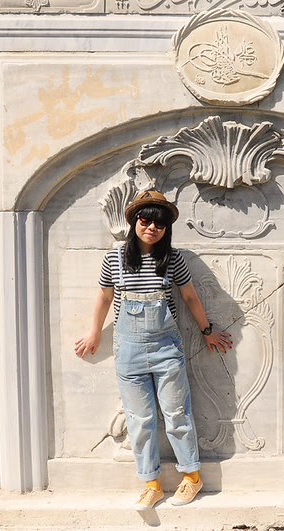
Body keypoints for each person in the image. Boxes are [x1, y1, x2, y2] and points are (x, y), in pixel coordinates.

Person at [74, 190, 233, 511]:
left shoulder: (172, 259)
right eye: (145, 220)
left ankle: (192, 477)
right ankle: (152, 485)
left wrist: (207, 331)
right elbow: (104, 297)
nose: (152, 228)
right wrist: (94, 333)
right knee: (140, 420)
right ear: (134, 221)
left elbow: (189, 297)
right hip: (128, 351)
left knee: (177, 414)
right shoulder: (115, 258)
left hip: (166, 349)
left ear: (166, 228)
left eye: (159, 223)